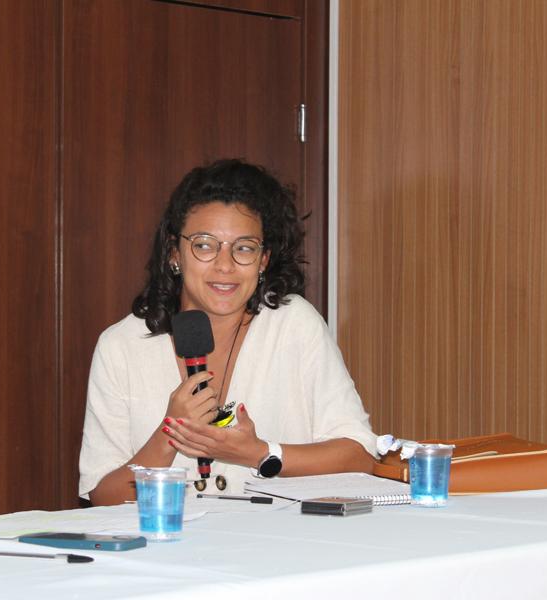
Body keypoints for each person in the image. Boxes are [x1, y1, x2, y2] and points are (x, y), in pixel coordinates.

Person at [79, 159, 377, 505]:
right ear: (175, 253)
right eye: (204, 245)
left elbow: (359, 457)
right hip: (167, 549)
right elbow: (103, 496)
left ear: (263, 261)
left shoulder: (293, 324)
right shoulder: (121, 346)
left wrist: (261, 454)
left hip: (280, 550)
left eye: (244, 248)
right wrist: (168, 435)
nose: (225, 265)